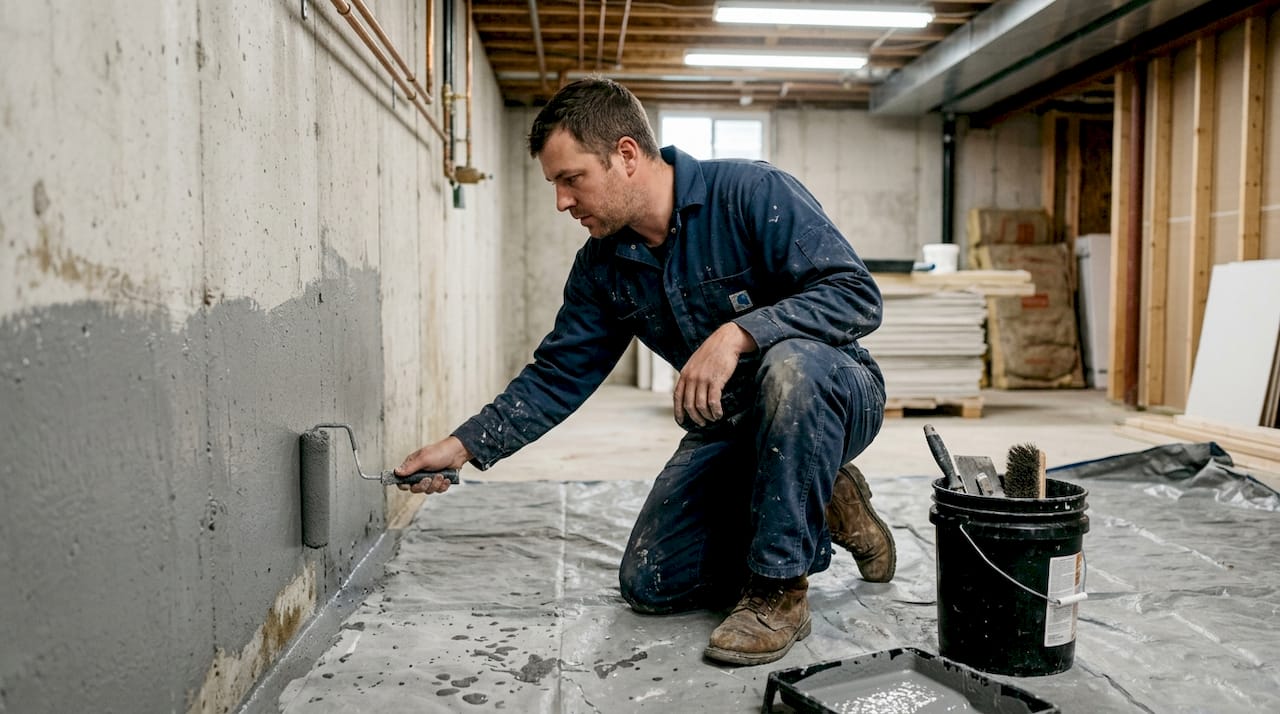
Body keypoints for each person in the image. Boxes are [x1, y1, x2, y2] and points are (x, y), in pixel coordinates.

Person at [395, 77, 895, 666]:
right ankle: (826, 498)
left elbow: (856, 295)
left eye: (571, 179)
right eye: (554, 184)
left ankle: (779, 591)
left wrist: (739, 333)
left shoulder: (752, 193)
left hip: (832, 394)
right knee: (652, 584)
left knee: (791, 365)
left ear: (626, 155)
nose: (561, 202)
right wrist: (460, 446)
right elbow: (559, 373)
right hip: (734, 423)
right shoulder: (604, 267)